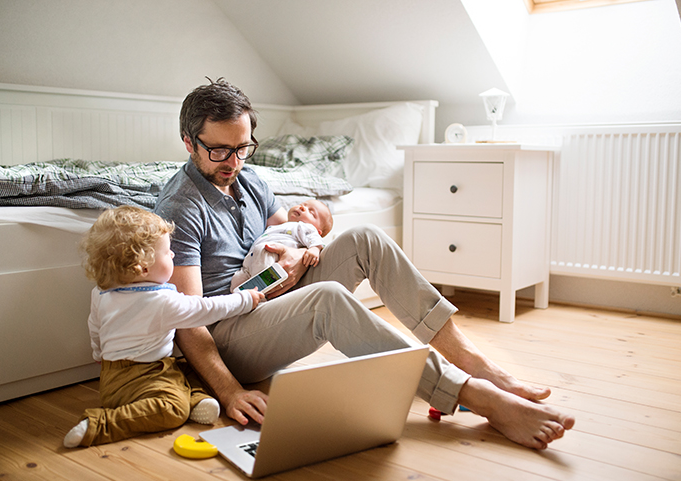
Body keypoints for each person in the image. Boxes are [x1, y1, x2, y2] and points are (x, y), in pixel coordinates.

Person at [154, 78, 575, 450]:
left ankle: (476, 365)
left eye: (243, 147)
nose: (233, 161)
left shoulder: (250, 179)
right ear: (190, 143)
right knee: (327, 298)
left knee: (365, 238)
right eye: (219, 150)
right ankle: (477, 397)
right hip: (228, 336)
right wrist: (229, 392)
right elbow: (188, 320)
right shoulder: (181, 207)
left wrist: (304, 252)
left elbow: (286, 232)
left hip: (269, 300)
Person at [63, 205, 263, 448]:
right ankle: (100, 424)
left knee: (188, 368)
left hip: (113, 374)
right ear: (143, 267)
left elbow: (95, 327)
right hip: (139, 380)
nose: (173, 256)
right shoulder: (160, 301)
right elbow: (206, 309)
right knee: (171, 409)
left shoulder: (102, 292)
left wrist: (98, 353)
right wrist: (246, 300)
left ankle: (196, 400)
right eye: (167, 252)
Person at [230, 199, 332, 292]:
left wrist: (315, 248)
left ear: (317, 230)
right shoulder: (281, 226)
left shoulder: (303, 227)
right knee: (237, 281)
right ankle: (240, 299)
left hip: (272, 257)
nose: (302, 208)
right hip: (251, 261)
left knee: (263, 277)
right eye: (302, 204)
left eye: (311, 212)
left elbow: (313, 237)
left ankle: (259, 298)